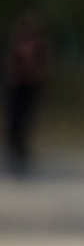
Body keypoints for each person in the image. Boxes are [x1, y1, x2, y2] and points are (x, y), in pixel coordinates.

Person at [4, 13, 51, 175]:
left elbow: (43, 66)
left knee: (27, 120)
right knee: (15, 121)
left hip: (31, 88)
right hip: (18, 87)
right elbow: (11, 66)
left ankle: (22, 151)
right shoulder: (17, 46)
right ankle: (14, 151)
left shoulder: (40, 46)